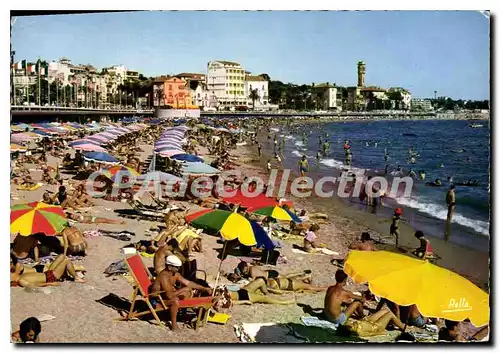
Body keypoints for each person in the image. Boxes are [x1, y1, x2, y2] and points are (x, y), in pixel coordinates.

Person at [149, 255, 212, 330]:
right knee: (175, 301)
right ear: (169, 267)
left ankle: (181, 311)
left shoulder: (174, 274)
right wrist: (183, 289)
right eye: (177, 267)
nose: (179, 269)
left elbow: (189, 283)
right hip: (157, 301)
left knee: (187, 292)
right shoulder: (163, 277)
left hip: (165, 295)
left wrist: (204, 288)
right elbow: (170, 296)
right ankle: (174, 324)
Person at [11, 254, 85, 287]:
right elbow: (35, 285)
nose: (12, 274)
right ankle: (76, 277)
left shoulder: (20, 276)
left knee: (62, 256)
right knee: (66, 260)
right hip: (50, 277)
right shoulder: (22, 281)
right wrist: (50, 284)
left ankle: (66, 275)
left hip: (47, 273)